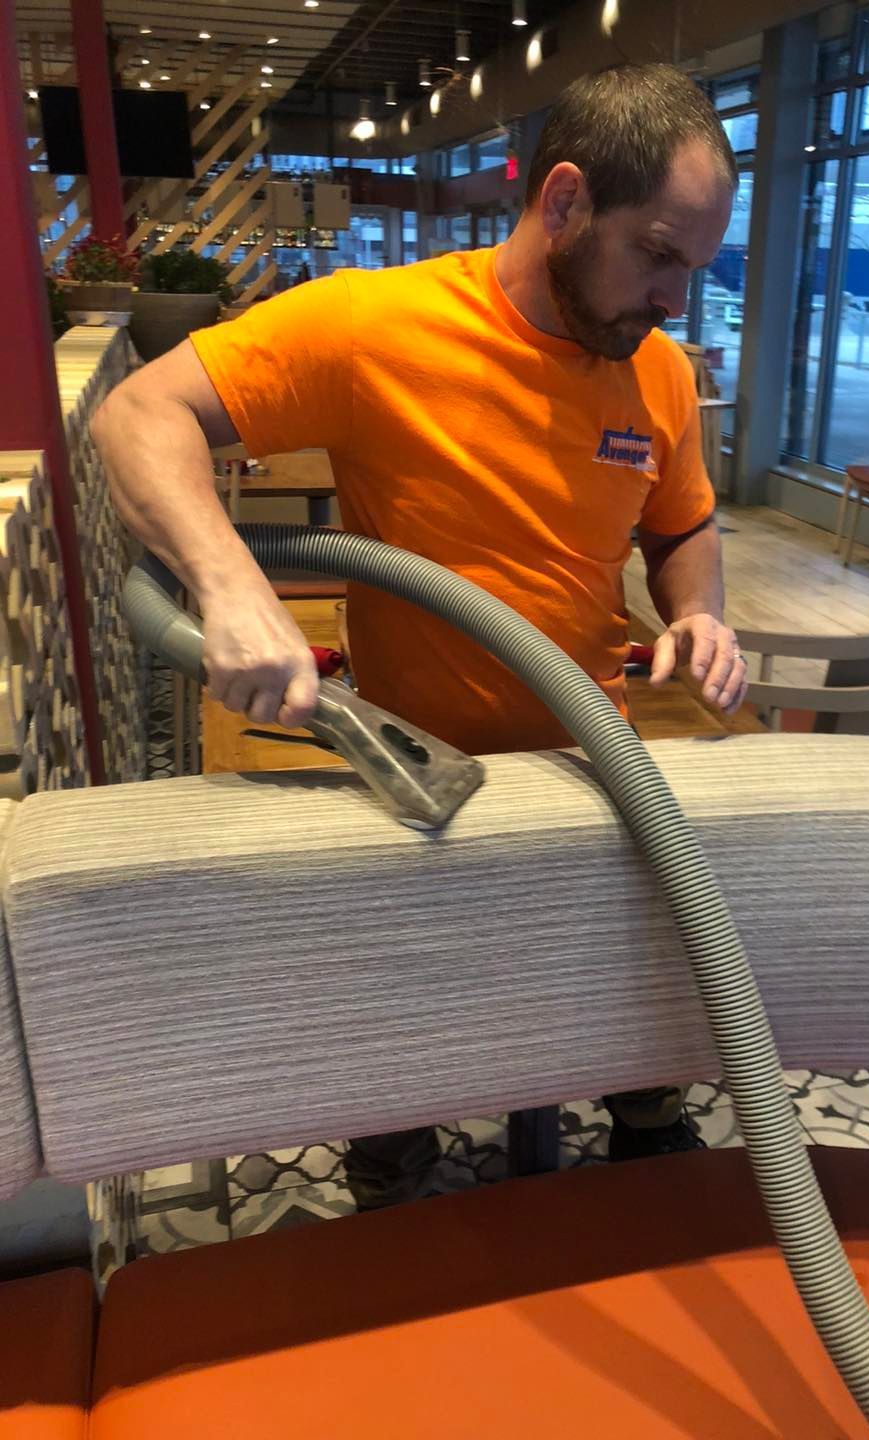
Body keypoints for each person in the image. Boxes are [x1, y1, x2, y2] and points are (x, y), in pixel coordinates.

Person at [92, 62, 747, 1208]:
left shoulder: (660, 374)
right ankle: (392, 1160)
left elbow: (681, 525)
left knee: (640, 999)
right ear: (563, 204)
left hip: (596, 768)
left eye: (695, 267)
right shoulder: (374, 327)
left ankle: (644, 1124)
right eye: (657, 255)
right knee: (400, 1032)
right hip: (413, 776)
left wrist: (701, 612)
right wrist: (232, 584)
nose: (676, 299)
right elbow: (138, 413)